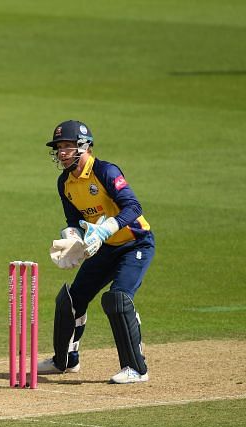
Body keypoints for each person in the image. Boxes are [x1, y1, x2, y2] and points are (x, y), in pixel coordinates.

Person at [40, 120, 155, 384]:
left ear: (84, 146)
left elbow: (133, 207)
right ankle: (65, 361)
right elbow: (73, 222)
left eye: (67, 146)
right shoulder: (65, 182)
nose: (61, 152)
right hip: (105, 248)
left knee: (117, 299)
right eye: (59, 147)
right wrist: (71, 240)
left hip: (135, 244)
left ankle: (136, 369)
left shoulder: (105, 171)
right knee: (71, 299)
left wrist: (105, 230)